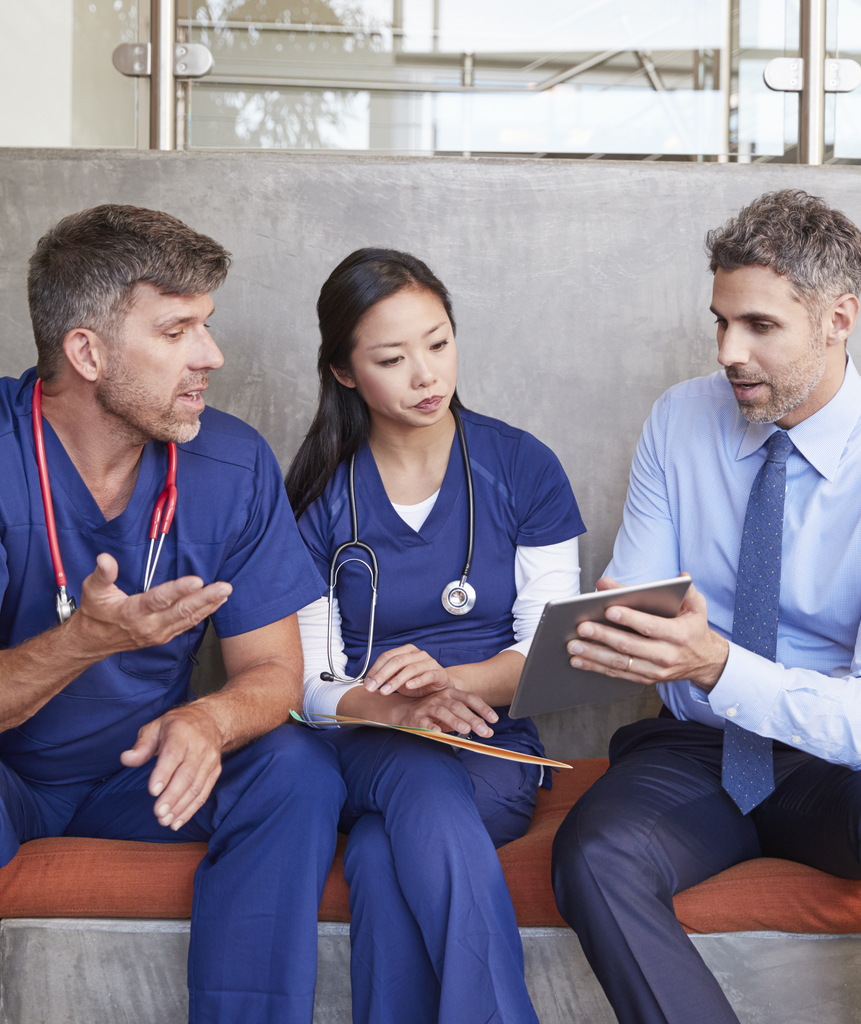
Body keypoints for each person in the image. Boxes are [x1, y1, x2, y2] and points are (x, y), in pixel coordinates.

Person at [0, 205, 347, 1024]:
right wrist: (83, 643)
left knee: (296, 769)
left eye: (205, 326)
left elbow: (275, 675)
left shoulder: (232, 462)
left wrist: (211, 721)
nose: (210, 357)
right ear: (87, 351)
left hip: (135, 771)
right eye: (177, 330)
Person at [550, 190, 861, 1024]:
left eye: (759, 327)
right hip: (698, 750)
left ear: (838, 319)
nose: (728, 353)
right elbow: (632, 605)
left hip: (837, 766)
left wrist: (713, 659)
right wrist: (610, 632)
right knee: (594, 854)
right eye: (719, 322)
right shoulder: (680, 421)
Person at [286, 248, 586, 1024]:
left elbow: (551, 660)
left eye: (439, 342)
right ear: (345, 372)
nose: (426, 374)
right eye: (392, 357)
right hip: (367, 744)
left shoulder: (522, 468)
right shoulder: (319, 494)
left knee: (384, 861)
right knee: (408, 787)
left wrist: (452, 685)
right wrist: (389, 704)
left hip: (487, 744)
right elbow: (306, 686)